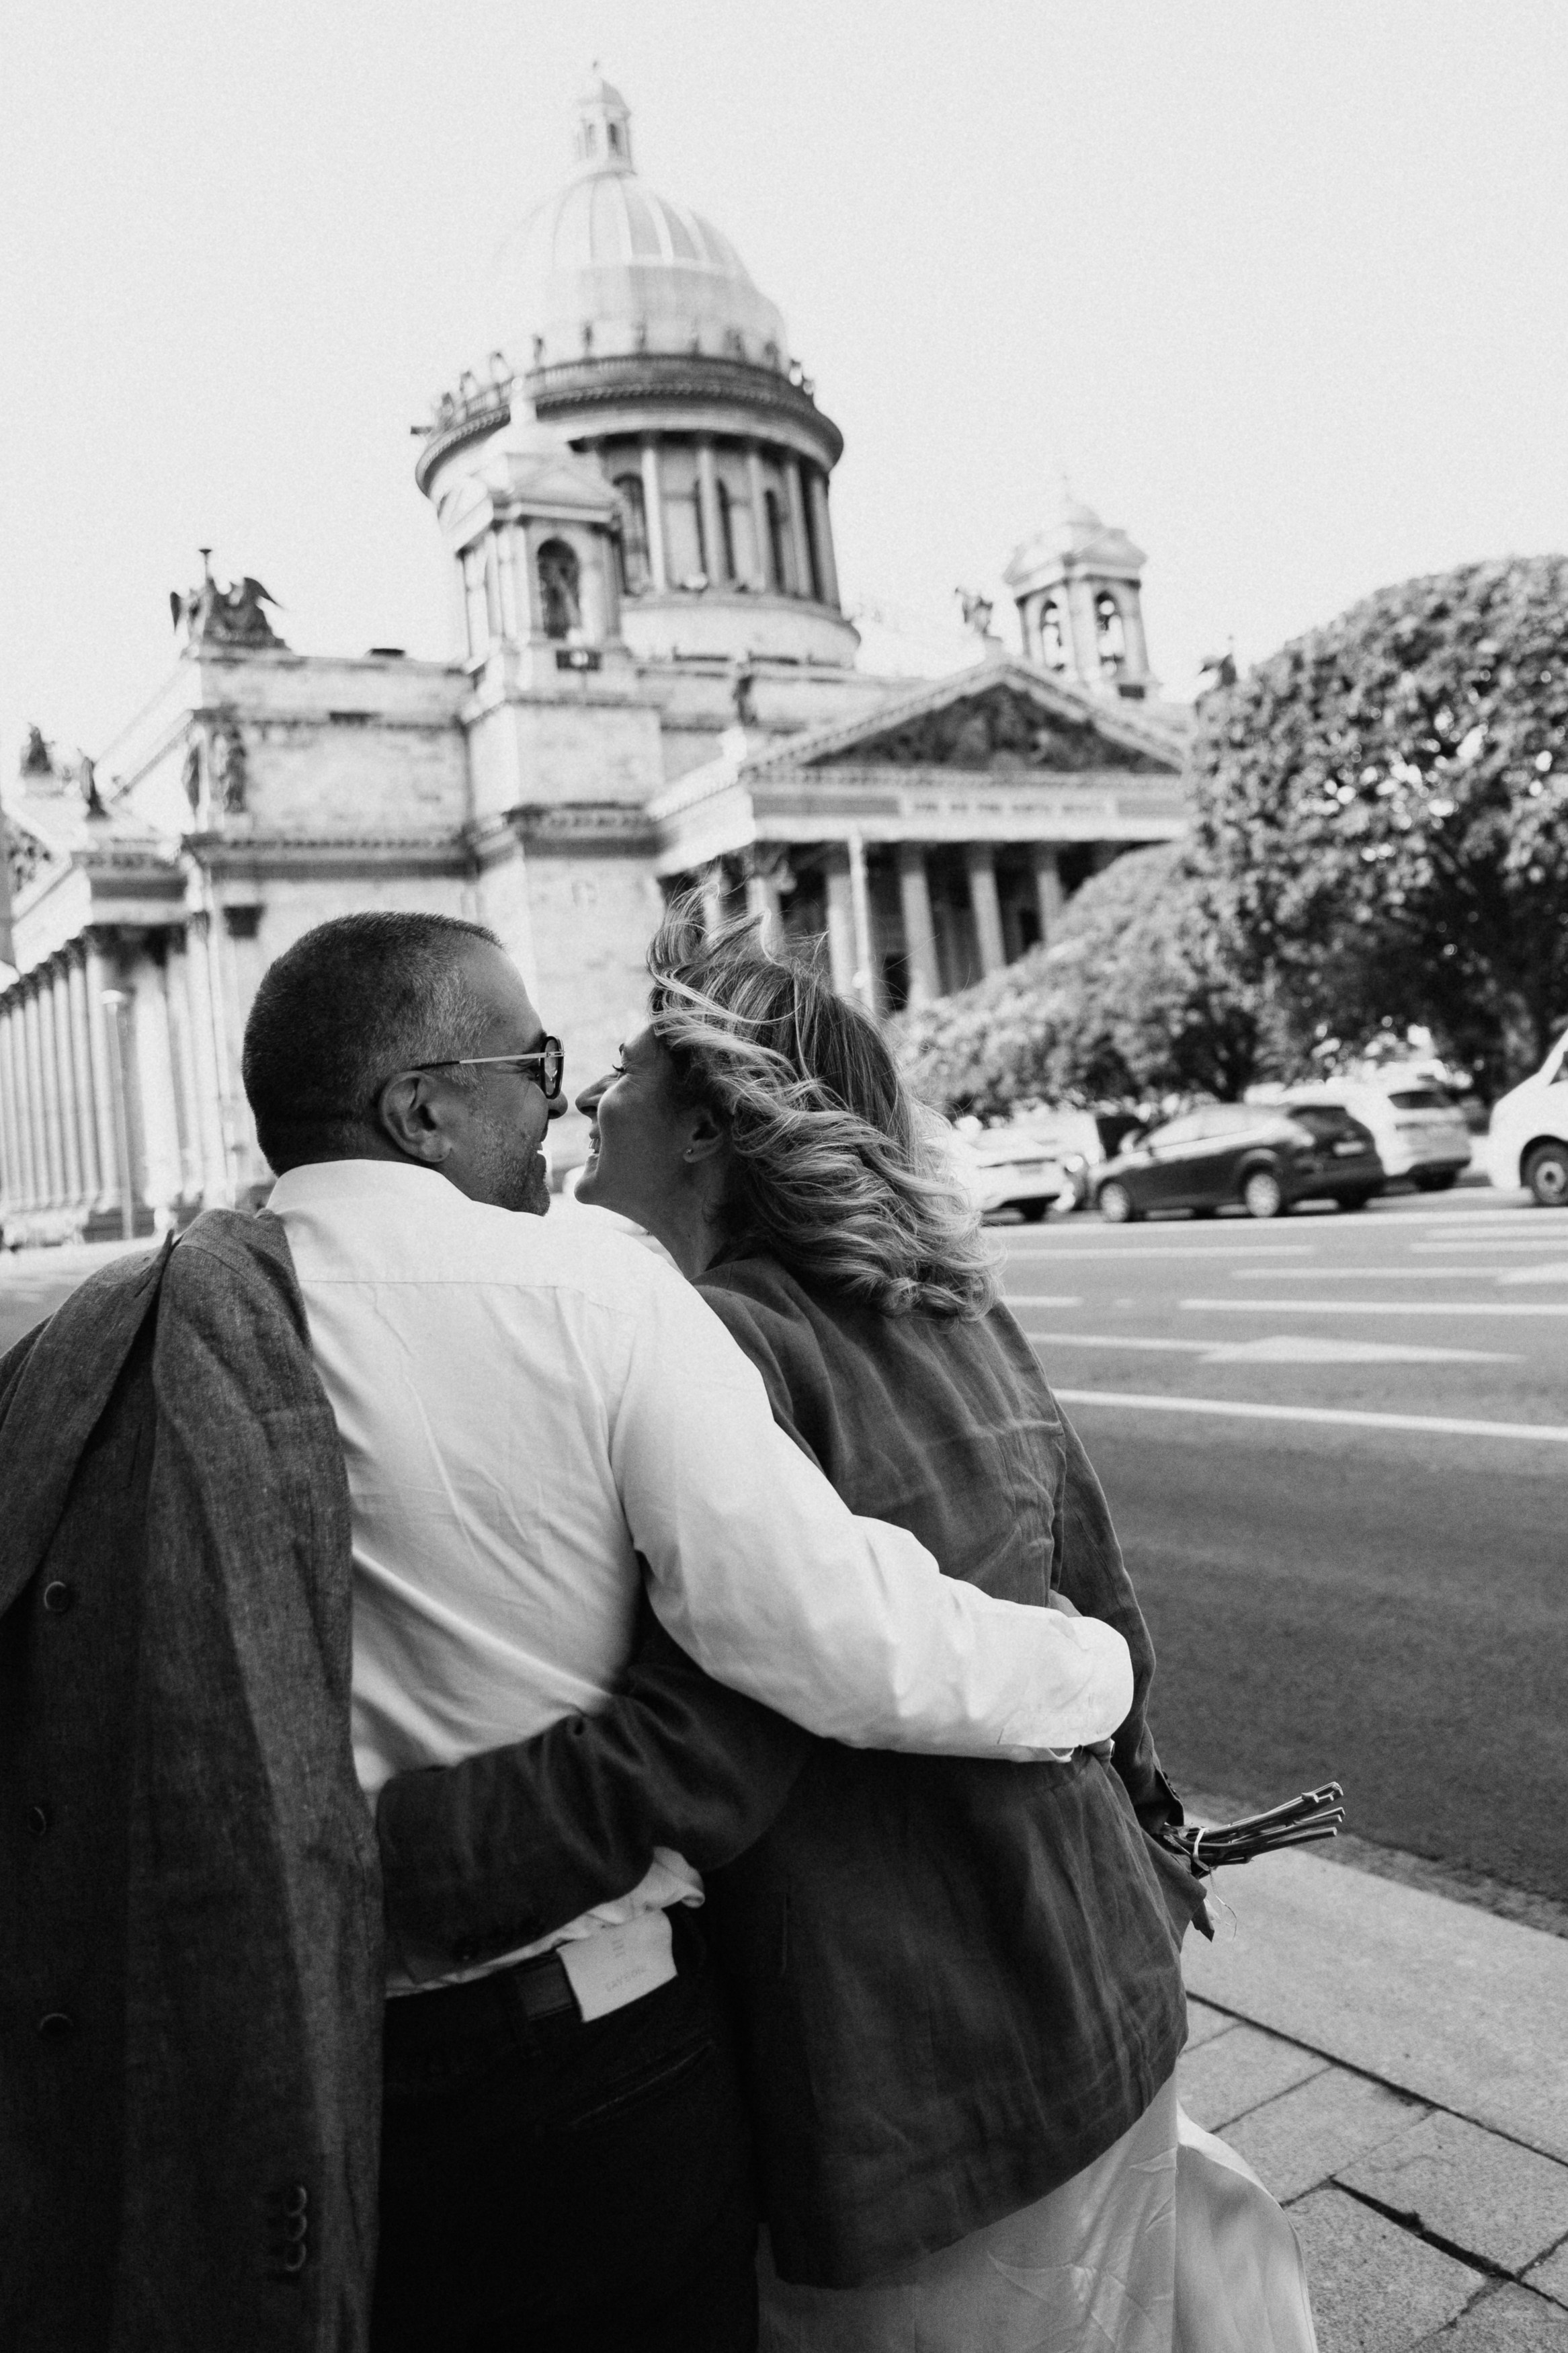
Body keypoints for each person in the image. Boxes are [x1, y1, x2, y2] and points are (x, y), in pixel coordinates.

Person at [235, 910, 1139, 2353]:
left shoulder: (169, 1315)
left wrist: (345, 1879)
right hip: (1046, 1990)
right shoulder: (931, 1305)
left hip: (916, 2054)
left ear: (714, 1125)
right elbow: (989, 1596)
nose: (577, 1094)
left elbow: (762, 1683)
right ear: (421, 1104)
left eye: (604, 1067)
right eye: (542, 1063)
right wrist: (1104, 1683)